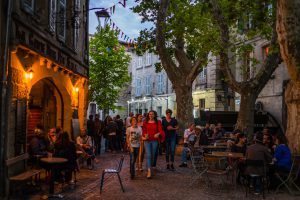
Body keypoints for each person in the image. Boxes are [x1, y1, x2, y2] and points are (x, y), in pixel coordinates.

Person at [142, 110, 165, 178]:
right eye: (149, 114)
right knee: (148, 155)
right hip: (147, 140)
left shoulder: (158, 122)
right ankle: (149, 171)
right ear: (148, 115)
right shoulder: (145, 122)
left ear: (154, 115)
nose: (151, 115)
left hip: (154, 140)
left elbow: (161, 131)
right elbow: (144, 131)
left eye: (152, 114)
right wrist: (145, 135)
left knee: (153, 155)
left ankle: (150, 167)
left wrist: (158, 134)